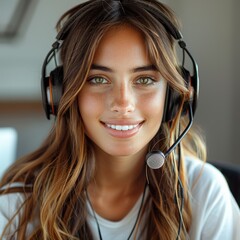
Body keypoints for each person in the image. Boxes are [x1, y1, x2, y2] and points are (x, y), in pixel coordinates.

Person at [0, 0, 239, 239]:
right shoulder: (18, 204)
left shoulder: (205, 194)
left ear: (173, 95)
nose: (123, 104)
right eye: (98, 79)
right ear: (63, 94)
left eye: (144, 79)